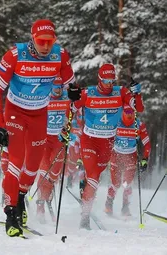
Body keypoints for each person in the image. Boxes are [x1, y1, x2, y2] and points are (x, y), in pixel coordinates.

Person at [0, 19, 81, 237]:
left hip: (40, 113)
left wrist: (74, 94)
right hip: (15, 112)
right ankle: (11, 211)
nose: (46, 46)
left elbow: (72, 85)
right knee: (16, 160)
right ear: (32, 38)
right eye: (41, 41)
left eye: (50, 42)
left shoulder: (60, 55)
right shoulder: (14, 55)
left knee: (32, 166)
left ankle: (21, 196)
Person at [64, 63, 144, 229]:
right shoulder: (89, 93)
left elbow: (138, 108)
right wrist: (72, 98)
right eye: (105, 80)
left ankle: (85, 189)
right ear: (99, 79)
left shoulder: (120, 92)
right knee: (93, 176)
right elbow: (71, 108)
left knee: (95, 177)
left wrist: (137, 94)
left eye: (111, 80)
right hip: (89, 140)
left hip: (107, 143)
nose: (109, 84)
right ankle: (84, 217)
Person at [104, 105, 151, 216]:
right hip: (116, 155)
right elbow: (106, 138)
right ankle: (109, 204)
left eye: (131, 112)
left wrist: (145, 158)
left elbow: (147, 143)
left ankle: (125, 208)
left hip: (131, 156)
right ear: (122, 112)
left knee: (127, 183)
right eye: (127, 111)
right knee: (116, 183)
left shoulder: (139, 125)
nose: (129, 114)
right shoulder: (116, 122)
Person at [36, 76, 71, 223]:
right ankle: (40, 205)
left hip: (59, 141)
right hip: (44, 140)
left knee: (54, 173)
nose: (57, 90)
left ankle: (48, 193)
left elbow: (73, 118)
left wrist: (67, 131)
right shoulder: (43, 97)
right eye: (55, 87)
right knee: (44, 171)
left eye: (60, 87)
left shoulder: (67, 99)